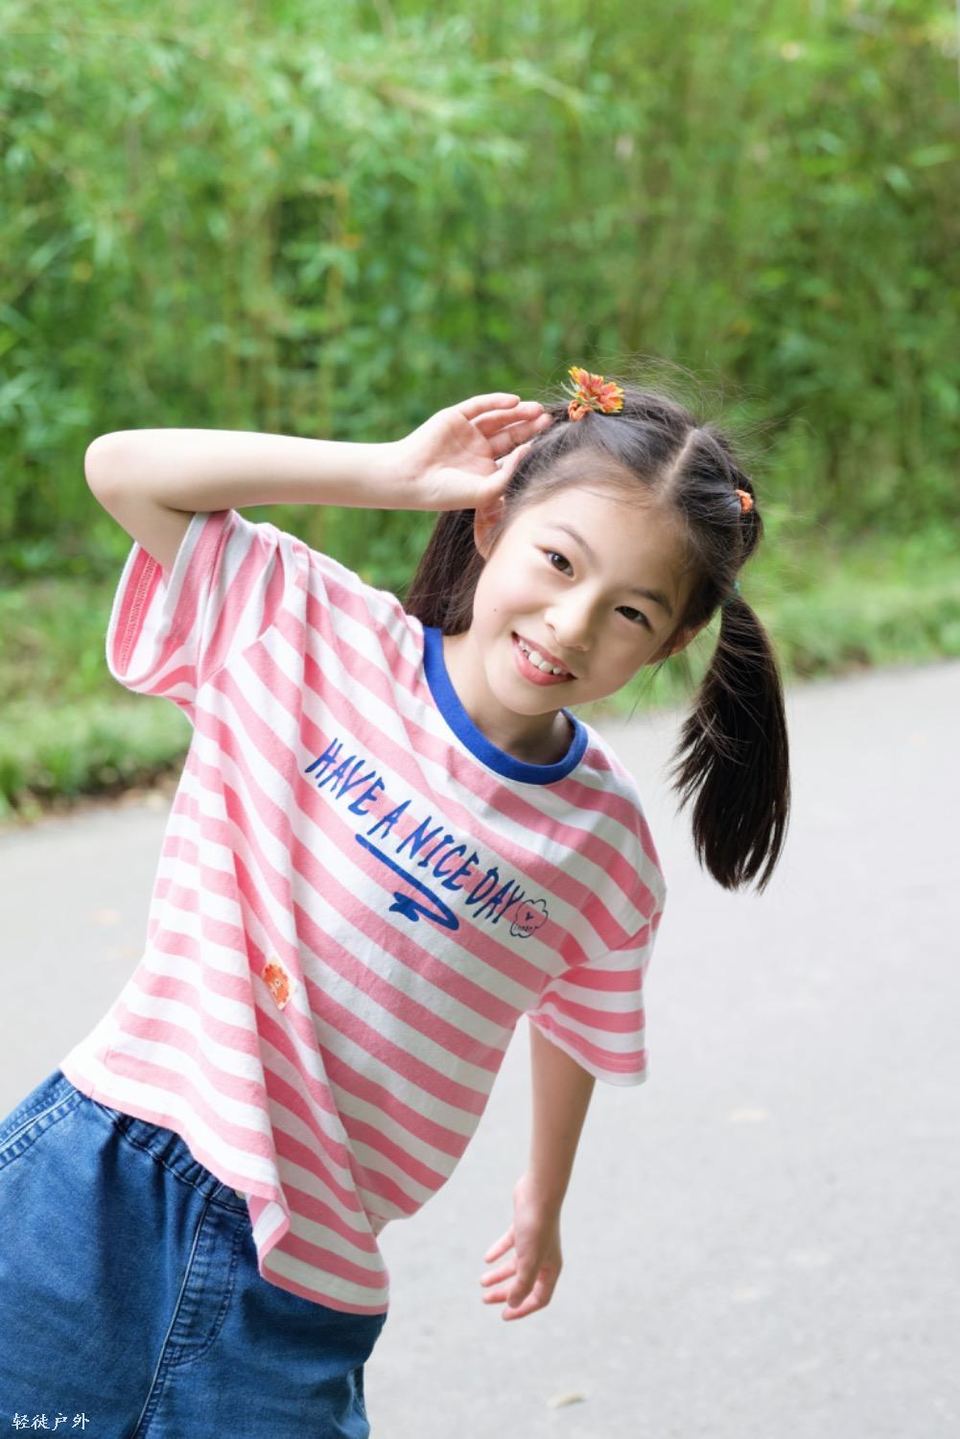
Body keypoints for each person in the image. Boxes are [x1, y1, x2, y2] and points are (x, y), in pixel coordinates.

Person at [0, 366, 790, 1435]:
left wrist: (542, 1194)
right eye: (558, 560)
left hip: (304, 1282)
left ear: (672, 640)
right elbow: (122, 469)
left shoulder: (603, 845)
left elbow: (572, 1015)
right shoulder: (305, 630)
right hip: (99, 1183)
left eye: (630, 610)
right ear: (492, 521)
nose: (570, 622)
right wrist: (390, 473)